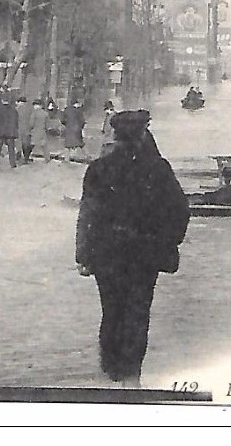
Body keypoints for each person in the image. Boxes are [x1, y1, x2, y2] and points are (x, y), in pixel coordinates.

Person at [75, 110, 190, 387]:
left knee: (112, 309)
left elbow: (88, 214)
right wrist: (167, 242)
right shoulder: (159, 169)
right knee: (138, 311)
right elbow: (180, 210)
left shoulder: (99, 169)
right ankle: (131, 376)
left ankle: (111, 368)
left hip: (107, 253)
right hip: (143, 254)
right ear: (143, 135)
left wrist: (83, 254)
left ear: (114, 135)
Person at [0, 95, 19, 168]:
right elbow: (16, 121)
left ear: (2, 101)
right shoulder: (14, 110)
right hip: (10, 133)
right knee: (11, 150)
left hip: (0, 133)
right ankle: (13, 164)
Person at [16, 96, 34, 164]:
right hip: (27, 128)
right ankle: (26, 158)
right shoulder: (30, 109)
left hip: (19, 128)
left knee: (18, 143)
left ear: (20, 102)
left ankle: (18, 155)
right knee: (26, 144)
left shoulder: (17, 109)